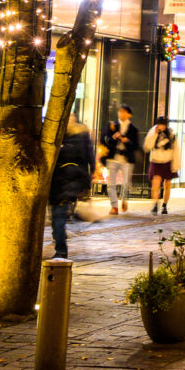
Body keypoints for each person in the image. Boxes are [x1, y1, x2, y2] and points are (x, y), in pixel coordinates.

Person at [49, 115, 95, 259]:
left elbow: (90, 157)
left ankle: (61, 249)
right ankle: (59, 241)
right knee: (56, 216)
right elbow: (90, 158)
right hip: (59, 181)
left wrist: (88, 179)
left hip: (67, 180)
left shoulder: (79, 135)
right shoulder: (58, 134)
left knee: (58, 216)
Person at [101, 105, 140, 214]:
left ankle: (124, 199)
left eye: (124, 112)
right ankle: (114, 206)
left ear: (129, 114)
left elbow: (136, 146)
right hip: (113, 158)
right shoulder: (112, 125)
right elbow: (105, 140)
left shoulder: (133, 129)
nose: (121, 113)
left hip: (126, 159)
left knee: (126, 183)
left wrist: (126, 141)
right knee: (111, 184)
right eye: (120, 111)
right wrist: (114, 137)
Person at [143, 116, 177, 213]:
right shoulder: (153, 131)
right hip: (156, 161)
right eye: (159, 124)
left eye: (163, 124)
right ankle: (155, 204)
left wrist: (176, 164)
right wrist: (155, 134)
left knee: (167, 184)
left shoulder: (171, 133)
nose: (161, 126)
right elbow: (147, 146)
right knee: (156, 184)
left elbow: (176, 149)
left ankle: (164, 206)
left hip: (168, 161)